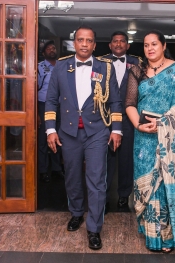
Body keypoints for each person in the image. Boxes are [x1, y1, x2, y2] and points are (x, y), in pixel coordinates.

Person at [45, 26, 122, 250]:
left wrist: (116, 130)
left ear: (95, 45)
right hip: (68, 133)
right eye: (80, 40)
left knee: (97, 180)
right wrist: (50, 130)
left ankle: (94, 228)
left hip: (97, 131)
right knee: (72, 177)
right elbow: (51, 100)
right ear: (74, 43)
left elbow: (115, 101)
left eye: (89, 40)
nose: (85, 44)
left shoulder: (105, 68)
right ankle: (77, 212)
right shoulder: (61, 67)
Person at [125, 30, 175, 253]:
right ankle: (152, 235)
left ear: (164, 45)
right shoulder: (137, 71)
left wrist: (164, 122)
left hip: (169, 137)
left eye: (154, 44)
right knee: (149, 183)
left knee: (166, 182)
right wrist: (138, 125)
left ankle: (167, 237)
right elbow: (129, 103)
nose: (150, 48)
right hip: (144, 137)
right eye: (146, 45)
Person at [101, 31, 140, 212]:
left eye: (122, 41)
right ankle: (104, 196)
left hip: (128, 118)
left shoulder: (137, 62)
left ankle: (124, 196)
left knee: (126, 159)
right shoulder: (100, 62)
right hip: (105, 118)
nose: (118, 44)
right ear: (110, 45)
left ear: (127, 45)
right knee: (105, 159)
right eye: (115, 41)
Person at [37, 41, 63, 183]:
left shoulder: (62, 66)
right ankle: (43, 170)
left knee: (59, 137)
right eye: (48, 49)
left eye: (53, 48)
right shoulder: (39, 67)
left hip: (60, 106)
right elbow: (33, 89)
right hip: (43, 105)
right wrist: (36, 112)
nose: (52, 50)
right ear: (43, 53)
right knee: (43, 139)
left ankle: (56, 169)